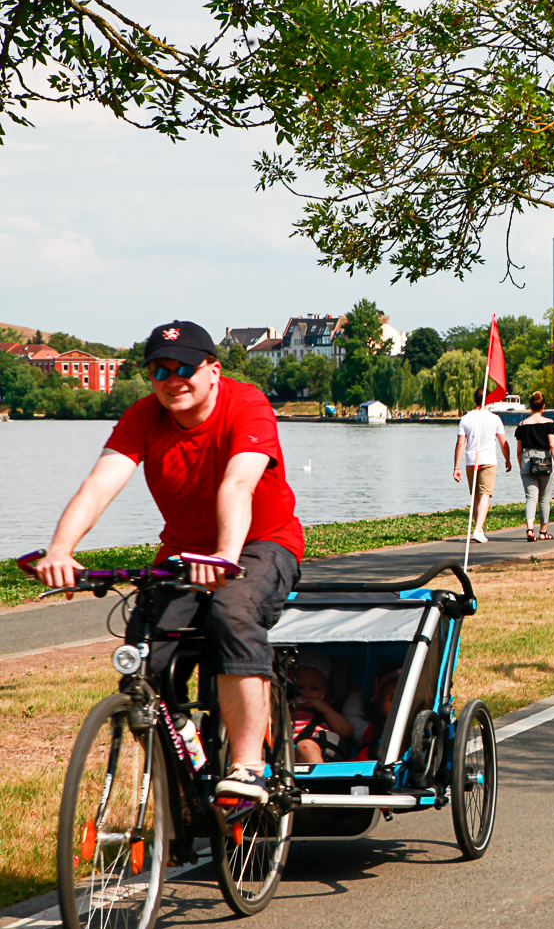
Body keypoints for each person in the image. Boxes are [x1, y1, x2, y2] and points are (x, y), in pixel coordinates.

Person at [32, 320, 304, 804]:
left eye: (184, 368)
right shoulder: (143, 416)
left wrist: (223, 555)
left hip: (262, 542)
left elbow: (238, 484)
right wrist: (60, 550)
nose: (171, 379)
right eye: (159, 370)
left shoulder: (247, 405)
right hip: (184, 552)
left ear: (213, 370)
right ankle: (184, 766)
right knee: (144, 667)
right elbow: (99, 485)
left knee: (231, 613)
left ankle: (248, 768)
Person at [453, 388, 510, 543]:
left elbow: (460, 444)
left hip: (471, 460)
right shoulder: (495, 419)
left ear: (474, 400)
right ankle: (478, 529)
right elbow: (503, 442)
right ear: (489, 400)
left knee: (476, 495)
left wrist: (456, 467)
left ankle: (479, 527)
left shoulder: (465, 419)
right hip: (489, 459)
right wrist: (508, 459)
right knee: (485, 493)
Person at [292, 649, 358, 764]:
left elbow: (346, 731)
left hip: (319, 752)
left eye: (314, 689)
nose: (306, 693)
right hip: (287, 755)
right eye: (300, 688)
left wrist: (324, 709)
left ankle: (318, 778)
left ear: (325, 690)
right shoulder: (283, 708)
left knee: (306, 747)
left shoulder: (327, 709)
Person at [514, 391, 554, 541]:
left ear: (530, 406)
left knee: (530, 498)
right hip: (544, 460)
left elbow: (519, 450)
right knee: (545, 499)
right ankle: (543, 532)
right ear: (543, 406)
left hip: (527, 459)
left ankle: (529, 529)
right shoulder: (549, 423)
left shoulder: (522, 425)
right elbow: (553, 445)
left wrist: (521, 465)